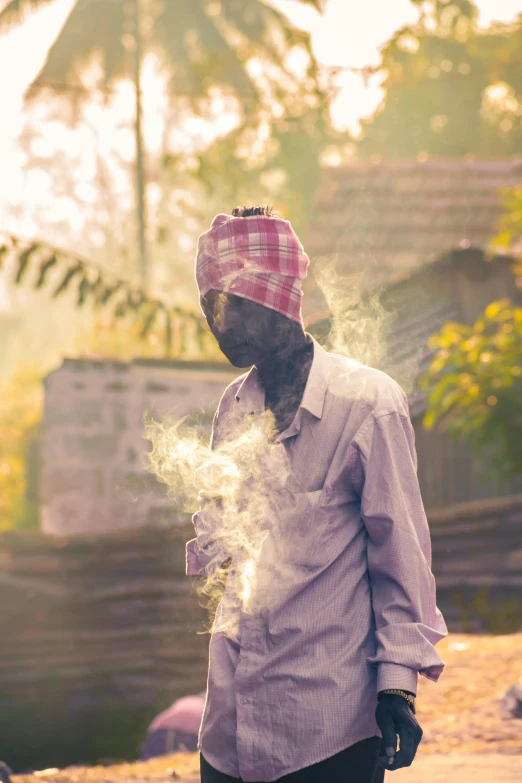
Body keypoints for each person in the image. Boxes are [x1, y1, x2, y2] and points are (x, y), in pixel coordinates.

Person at [186, 206, 448, 783]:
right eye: (207, 305)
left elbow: (401, 557)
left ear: (273, 299)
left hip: (327, 731)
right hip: (230, 727)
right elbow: (224, 543)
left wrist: (398, 690)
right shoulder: (234, 406)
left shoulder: (368, 404)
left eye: (226, 302)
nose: (215, 321)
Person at [139, 691, 207, 760]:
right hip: (192, 731)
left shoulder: (186, 699)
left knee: (149, 761)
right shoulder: (208, 705)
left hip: (159, 728)